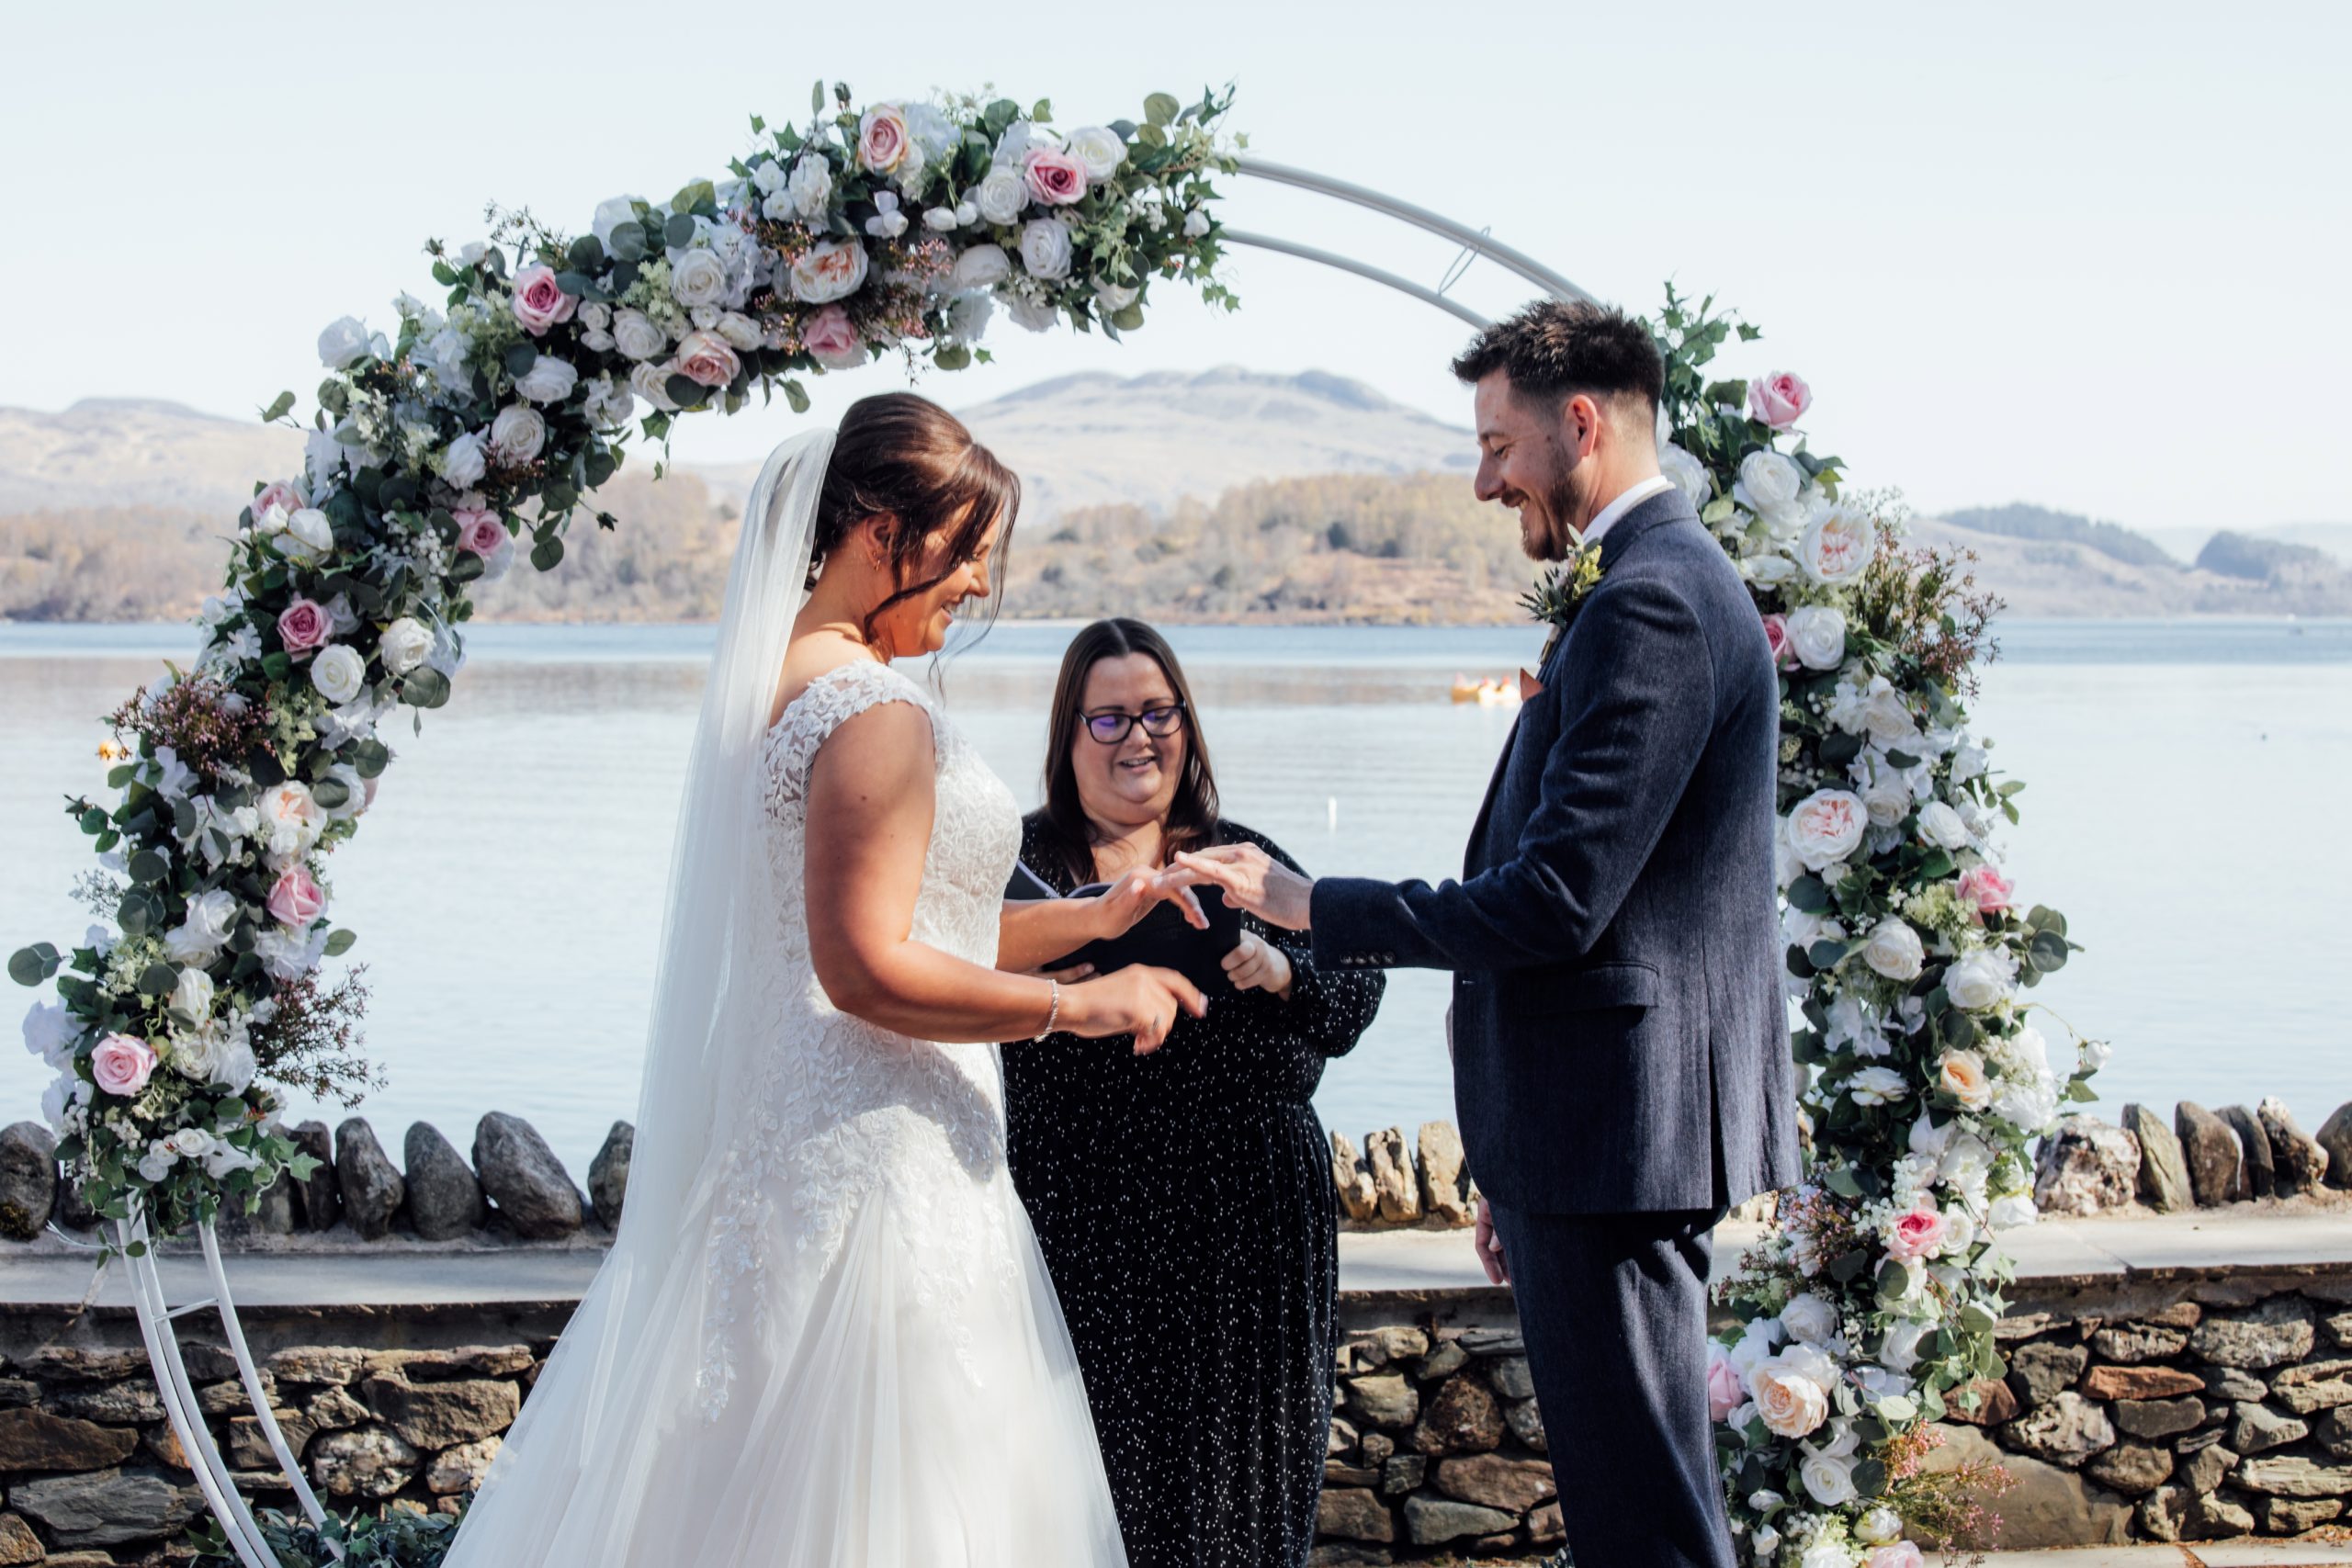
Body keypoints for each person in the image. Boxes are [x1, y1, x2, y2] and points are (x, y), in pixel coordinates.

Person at [445, 393, 1204, 1568]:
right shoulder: (874, 710)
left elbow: (913, 926)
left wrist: (1096, 918)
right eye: (965, 554)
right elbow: (863, 969)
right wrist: (1077, 1006)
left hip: (804, 1154)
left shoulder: (782, 681)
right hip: (880, 1171)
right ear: (878, 536)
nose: (976, 587)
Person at [1174, 301, 1800, 1568]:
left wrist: (1310, 903)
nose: (1482, 478)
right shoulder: (1653, 585)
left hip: (1615, 1135)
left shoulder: (1657, 603)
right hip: (1590, 1134)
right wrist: (1512, 1159)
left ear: (1579, 422)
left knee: (1651, 1524)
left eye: (1496, 442)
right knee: (1644, 1502)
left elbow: (1555, 900)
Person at [1001, 618, 1385, 1568]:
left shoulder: (1238, 859)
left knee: (1236, 1503)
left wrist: (1281, 973)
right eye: (1111, 718)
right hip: (1079, 1219)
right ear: (1068, 734)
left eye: (1160, 712)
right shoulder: (1021, 867)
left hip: (1244, 1230)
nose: (1140, 737)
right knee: (1092, 1495)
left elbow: (1357, 986)